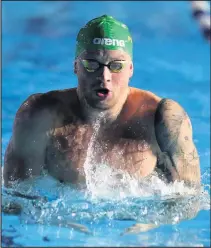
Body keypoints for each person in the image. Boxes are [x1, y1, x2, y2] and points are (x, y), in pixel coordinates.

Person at [3, 15, 201, 189]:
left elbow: (189, 200)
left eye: (116, 65)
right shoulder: (41, 115)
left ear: (131, 69)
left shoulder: (164, 119)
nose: (104, 76)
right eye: (91, 64)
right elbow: (15, 199)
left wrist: (145, 227)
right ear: (75, 67)